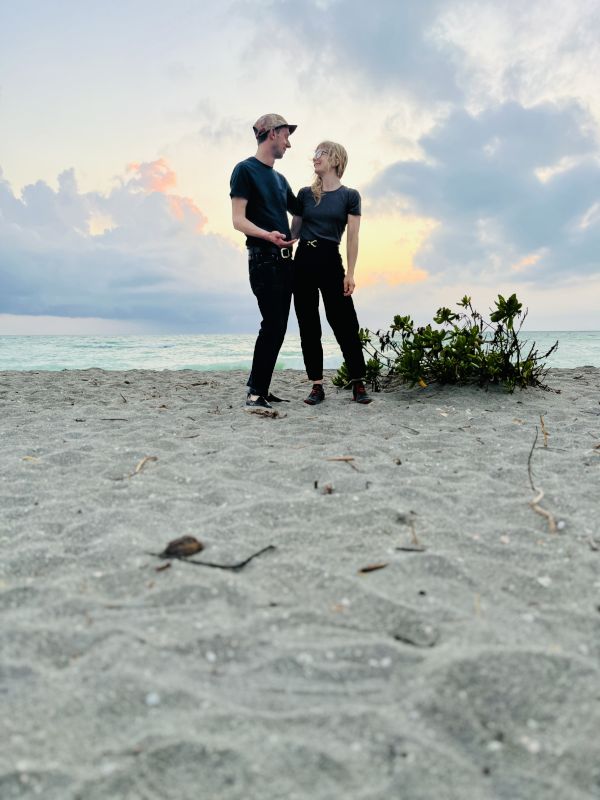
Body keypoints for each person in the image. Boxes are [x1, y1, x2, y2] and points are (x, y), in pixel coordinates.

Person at [291, 141, 372, 405]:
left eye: (321, 154)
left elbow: (353, 237)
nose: (315, 158)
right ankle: (317, 385)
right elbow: (294, 233)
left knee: (344, 322)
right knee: (308, 324)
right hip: (303, 259)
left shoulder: (350, 196)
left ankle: (358, 382)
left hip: (329, 259)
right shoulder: (305, 194)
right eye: (314, 154)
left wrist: (350, 273)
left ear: (335, 160)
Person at [230, 113, 298, 409]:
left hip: (285, 261)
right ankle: (255, 393)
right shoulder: (245, 170)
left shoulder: (281, 180)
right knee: (271, 324)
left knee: (279, 326)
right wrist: (268, 236)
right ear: (272, 134)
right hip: (262, 260)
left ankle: (261, 389)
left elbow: (301, 211)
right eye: (286, 135)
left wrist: (291, 236)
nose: (288, 143)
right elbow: (238, 220)